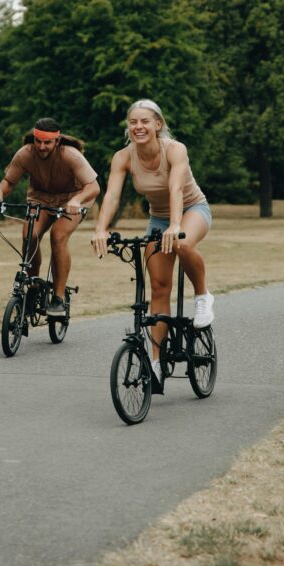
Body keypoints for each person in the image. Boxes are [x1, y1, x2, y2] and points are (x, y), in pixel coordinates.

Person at [91, 99, 214, 386]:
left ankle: (203, 296)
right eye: (133, 122)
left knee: (182, 244)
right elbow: (111, 195)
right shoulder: (123, 157)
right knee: (158, 288)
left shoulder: (175, 149)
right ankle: (156, 364)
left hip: (192, 209)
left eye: (145, 121)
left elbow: (175, 189)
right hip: (158, 219)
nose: (138, 127)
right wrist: (101, 228)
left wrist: (175, 225)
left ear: (158, 124)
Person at [0, 118, 100, 317]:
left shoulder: (70, 155)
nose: (41, 146)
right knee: (29, 235)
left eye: (47, 142)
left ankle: (58, 297)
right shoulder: (25, 154)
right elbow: (9, 181)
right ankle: (33, 287)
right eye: (38, 141)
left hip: (71, 200)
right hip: (40, 199)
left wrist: (77, 200)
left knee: (58, 237)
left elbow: (94, 187)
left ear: (56, 141)